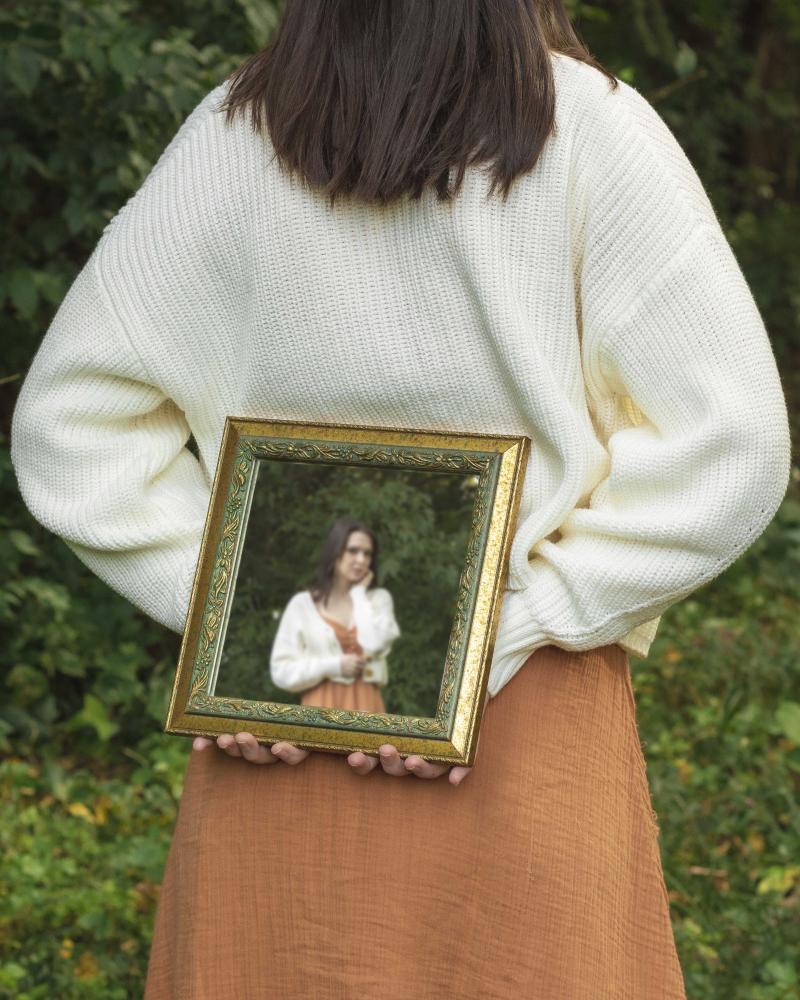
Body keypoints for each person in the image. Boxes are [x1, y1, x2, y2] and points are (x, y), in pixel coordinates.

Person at [9, 1, 791, 997]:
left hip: (283, 720)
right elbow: (733, 445)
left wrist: (238, 631)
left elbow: (69, 426)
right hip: (523, 708)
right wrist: (528, 615)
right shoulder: (592, 133)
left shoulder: (235, 137)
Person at [269, 517, 400, 712]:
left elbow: (376, 644)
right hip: (318, 709)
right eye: (353, 550)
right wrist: (334, 666)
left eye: (367, 554)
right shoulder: (303, 605)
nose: (361, 560)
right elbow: (281, 671)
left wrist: (358, 595)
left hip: (368, 708)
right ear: (335, 551)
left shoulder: (377, 600)